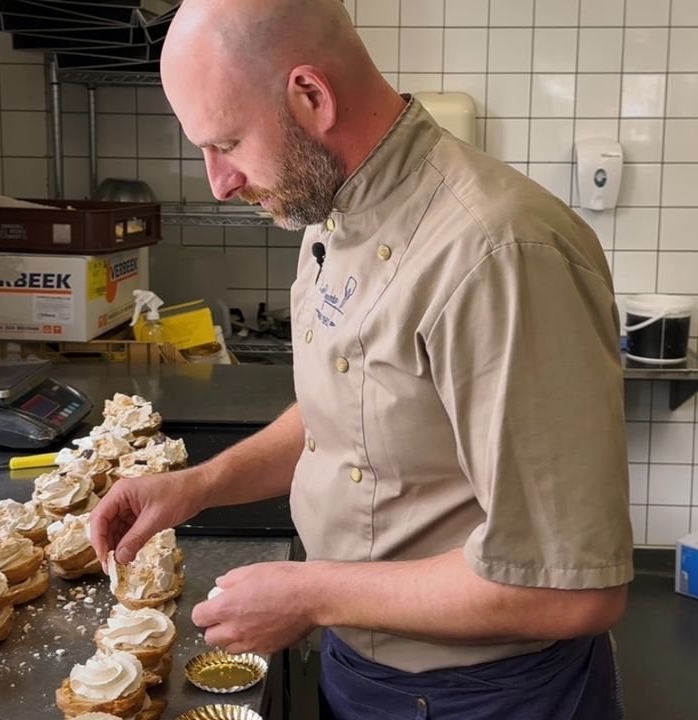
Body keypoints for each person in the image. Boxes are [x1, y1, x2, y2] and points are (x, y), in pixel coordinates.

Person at [89, 0, 635, 717]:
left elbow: (573, 591)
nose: (217, 181)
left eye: (226, 143)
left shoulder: (498, 254)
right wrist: (198, 486)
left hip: (486, 696)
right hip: (363, 670)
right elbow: (351, 414)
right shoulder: (331, 207)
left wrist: (312, 593)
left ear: (310, 96)